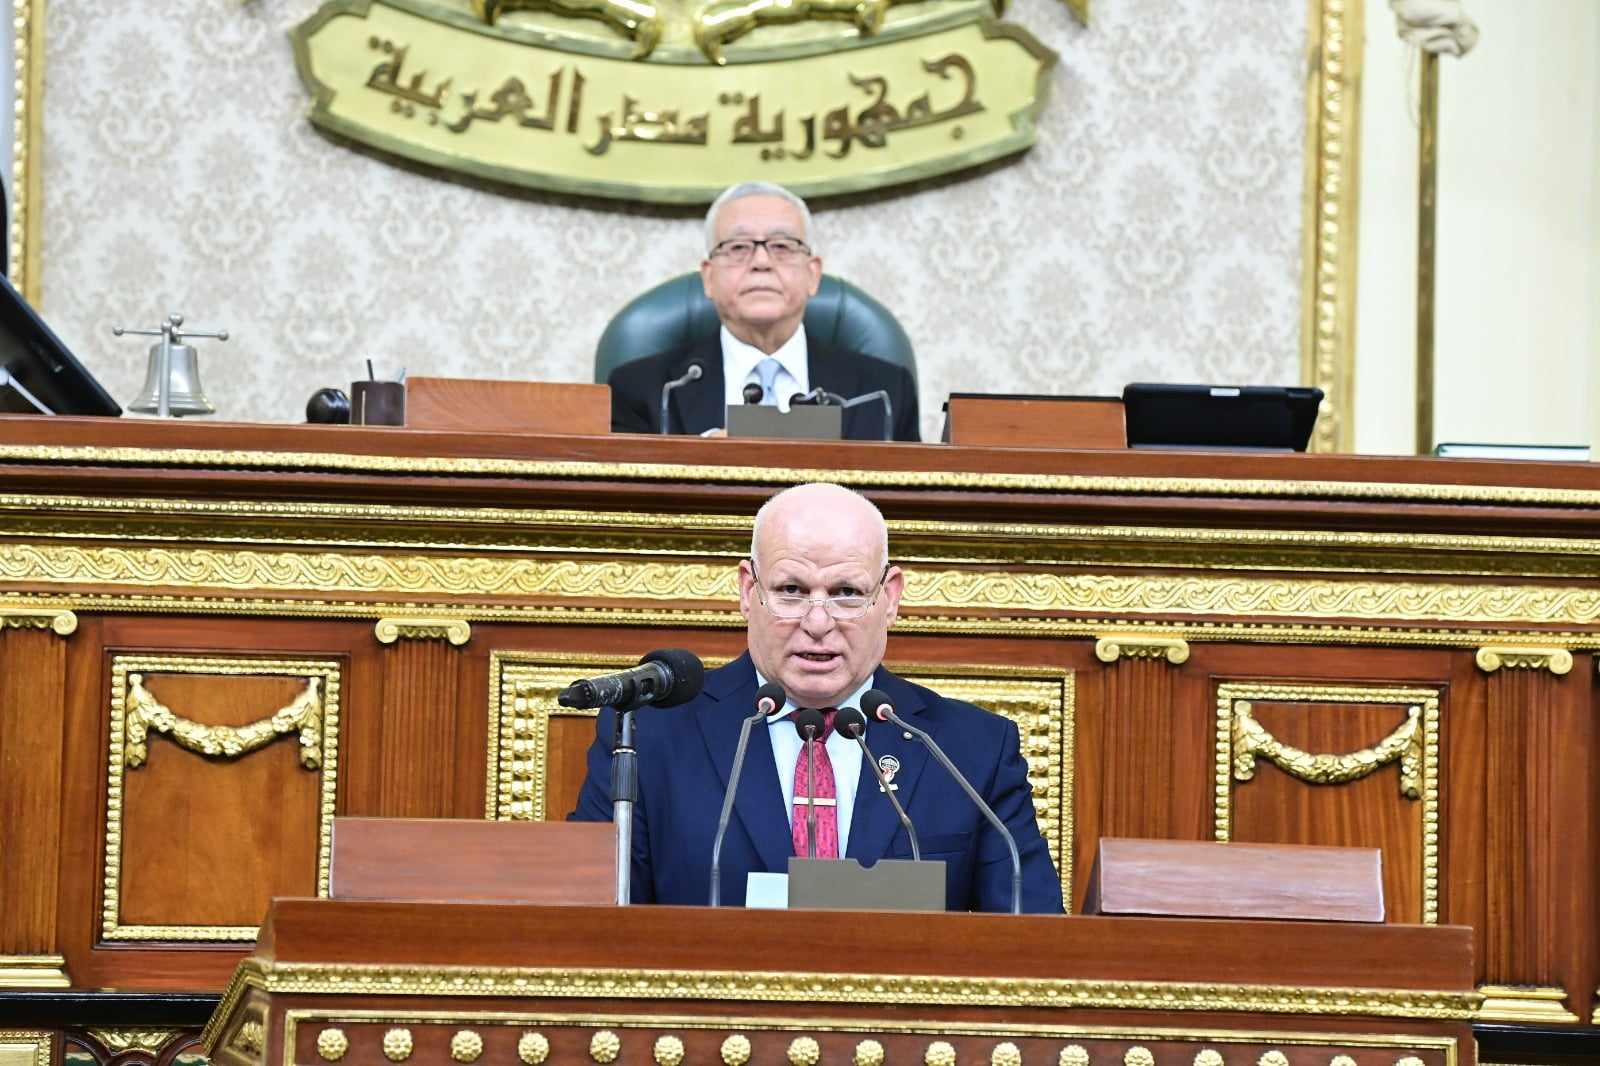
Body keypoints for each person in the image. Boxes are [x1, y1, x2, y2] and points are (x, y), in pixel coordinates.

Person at [571, 482, 1063, 912]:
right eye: (791, 589)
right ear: (748, 590)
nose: (818, 622)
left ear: (890, 597)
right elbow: (589, 927)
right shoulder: (649, 734)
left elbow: (1036, 943)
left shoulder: (970, 751)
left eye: (847, 592)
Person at [606, 182, 921, 441]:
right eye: (738, 247)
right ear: (708, 277)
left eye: (782, 246)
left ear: (813, 274)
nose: (761, 262)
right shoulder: (643, 391)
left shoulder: (884, 393)